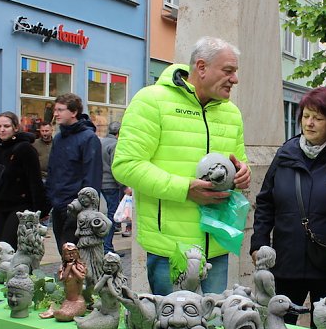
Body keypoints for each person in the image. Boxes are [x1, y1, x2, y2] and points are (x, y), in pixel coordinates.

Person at [112, 37, 251, 296]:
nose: (235, 79)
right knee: (172, 328)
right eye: (228, 71)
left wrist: (243, 173)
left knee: (211, 327)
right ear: (201, 67)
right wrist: (185, 189)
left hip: (218, 242)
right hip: (170, 247)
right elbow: (126, 165)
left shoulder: (231, 112)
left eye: (235, 72)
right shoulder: (151, 101)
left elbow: (239, 160)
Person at [251, 87, 326, 326]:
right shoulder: (286, 153)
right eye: (306, 116)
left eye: (318, 118)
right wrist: (259, 242)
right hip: (287, 261)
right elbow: (266, 201)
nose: (309, 123)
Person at [0, 112, 49, 249]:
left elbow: (35, 181)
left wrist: (41, 210)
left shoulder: (26, 148)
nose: (2, 129)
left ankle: (17, 269)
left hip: (21, 205)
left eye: (6, 126)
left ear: (15, 128)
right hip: (0, 204)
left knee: (8, 245)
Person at [46, 93, 103, 255]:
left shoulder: (88, 138)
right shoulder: (58, 138)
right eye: (55, 110)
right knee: (64, 253)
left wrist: (83, 207)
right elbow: (52, 171)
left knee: (77, 257)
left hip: (78, 209)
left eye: (60, 110)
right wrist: (49, 199)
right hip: (58, 206)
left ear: (74, 112)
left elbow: (92, 177)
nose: (55, 114)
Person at [100, 121, 122, 254]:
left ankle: (106, 247)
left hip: (101, 183)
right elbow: (116, 167)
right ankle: (108, 248)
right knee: (112, 218)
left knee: (104, 217)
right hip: (111, 185)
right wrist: (123, 185)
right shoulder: (115, 144)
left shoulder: (101, 142)